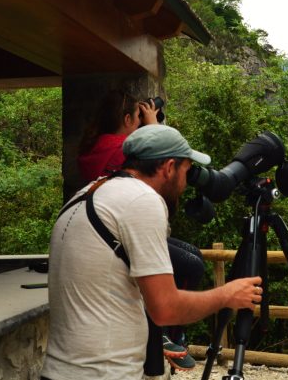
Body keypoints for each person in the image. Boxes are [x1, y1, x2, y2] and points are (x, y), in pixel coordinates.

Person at [42, 124, 262, 380]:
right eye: (186, 171)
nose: (186, 183)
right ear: (169, 167)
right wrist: (226, 295)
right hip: (103, 373)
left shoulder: (89, 192)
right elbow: (165, 309)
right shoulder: (141, 200)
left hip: (62, 371)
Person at [75, 90, 202, 369]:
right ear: (127, 118)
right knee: (191, 264)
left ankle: (170, 334)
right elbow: (160, 158)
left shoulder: (95, 145)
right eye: (138, 116)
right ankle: (166, 333)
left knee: (190, 255)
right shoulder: (120, 147)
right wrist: (154, 124)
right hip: (124, 225)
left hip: (109, 226)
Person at [77, 90, 158, 181]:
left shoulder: (92, 146)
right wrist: (153, 127)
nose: (140, 121)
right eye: (139, 116)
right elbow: (161, 172)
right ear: (127, 119)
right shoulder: (128, 150)